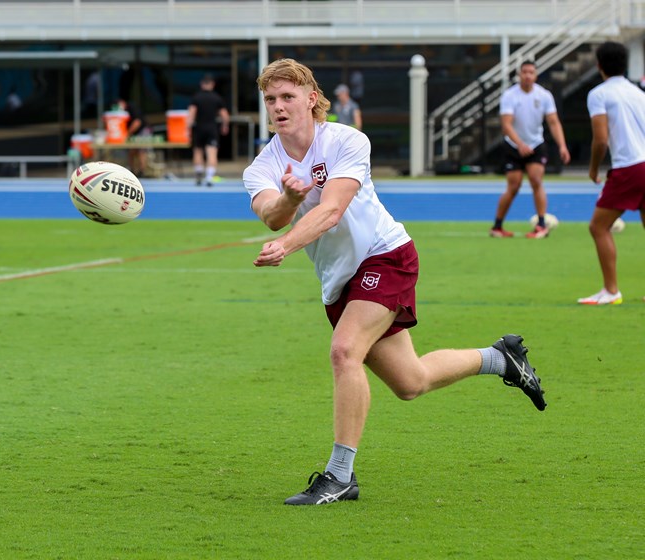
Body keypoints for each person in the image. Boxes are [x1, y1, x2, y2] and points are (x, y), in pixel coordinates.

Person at [243, 58, 546, 506]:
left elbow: (331, 210)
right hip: (340, 280)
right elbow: (269, 214)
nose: (278, 107)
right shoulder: (263, 164)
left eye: (288, 97)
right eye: (271, 99)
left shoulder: (347, 140)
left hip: (385, 256)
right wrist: (287, 199)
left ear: (311, 99)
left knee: (344, 351)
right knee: (411, 382)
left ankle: (340, 475)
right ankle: (500, 358)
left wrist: (288, 244)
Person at [578, 41, 645, 306]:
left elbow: (601, 140)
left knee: (598, 226)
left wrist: (594, 168)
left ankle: (611, 290)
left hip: (630, 166)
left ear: (599, 65)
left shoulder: (599, 94)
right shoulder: (639, 92)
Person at [490, 61, 571, 239]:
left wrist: (562, 145)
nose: (527, 75)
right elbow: (506, 125)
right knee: (514, 186)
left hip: (536, 144)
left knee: (536, 180)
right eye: (524, 72)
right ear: (519, 75)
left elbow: (553, 122)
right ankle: (497, 226)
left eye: (531, 72)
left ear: (535, 75)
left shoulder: (544, 95)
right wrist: (520, 144)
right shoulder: (510, 96)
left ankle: (541, 225)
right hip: (513, 146)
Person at [187, 74, 230, 187]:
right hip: (211, 128)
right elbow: (224, 115)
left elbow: (191, 114)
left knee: (198, 152)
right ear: (212, 85)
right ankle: (209, 177)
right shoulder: (217, 98)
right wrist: (225, 126)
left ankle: (198, 175)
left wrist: (188, 128)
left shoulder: (196, 97)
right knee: (212, 153)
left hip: (199, 128)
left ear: (202, 84)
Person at [116, 98, 151, 176]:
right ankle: (132, 170)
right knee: (131, 151)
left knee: (141, 150)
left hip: (142, 130)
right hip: (134, 133)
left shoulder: (131, 107)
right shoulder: (121, 113)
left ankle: (142, 171)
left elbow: (137, 122)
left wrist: (127, 134)